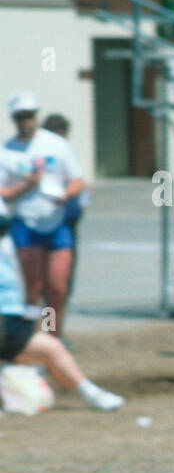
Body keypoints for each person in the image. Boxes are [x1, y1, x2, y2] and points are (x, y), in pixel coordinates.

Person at [0, 199, 122, 409]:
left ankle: (50, 341)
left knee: (54, 292)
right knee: (36, 293)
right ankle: (33, 358)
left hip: (53, 226)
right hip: (28, 231)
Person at [0, 93, 84, 338]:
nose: (26, 120)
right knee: (33, 287)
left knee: (57, 286)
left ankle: (53, 336)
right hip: (26, 223)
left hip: (56, 222)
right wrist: (28, 185)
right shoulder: (7, 151)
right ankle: (31, 339)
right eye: (21, 116)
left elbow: (77, 180)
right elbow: (3, 193)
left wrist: (66, 194)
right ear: (14, 118)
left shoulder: (56, 145)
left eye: (29, 115)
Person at [38, 113, 87, 307]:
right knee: (53, 281)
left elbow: (77, 182)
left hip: (66, 219)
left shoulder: (61, 152)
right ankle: (49, 321)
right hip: (55, 221)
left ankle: (51, 322)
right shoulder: (51, 153)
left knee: (57, 282)